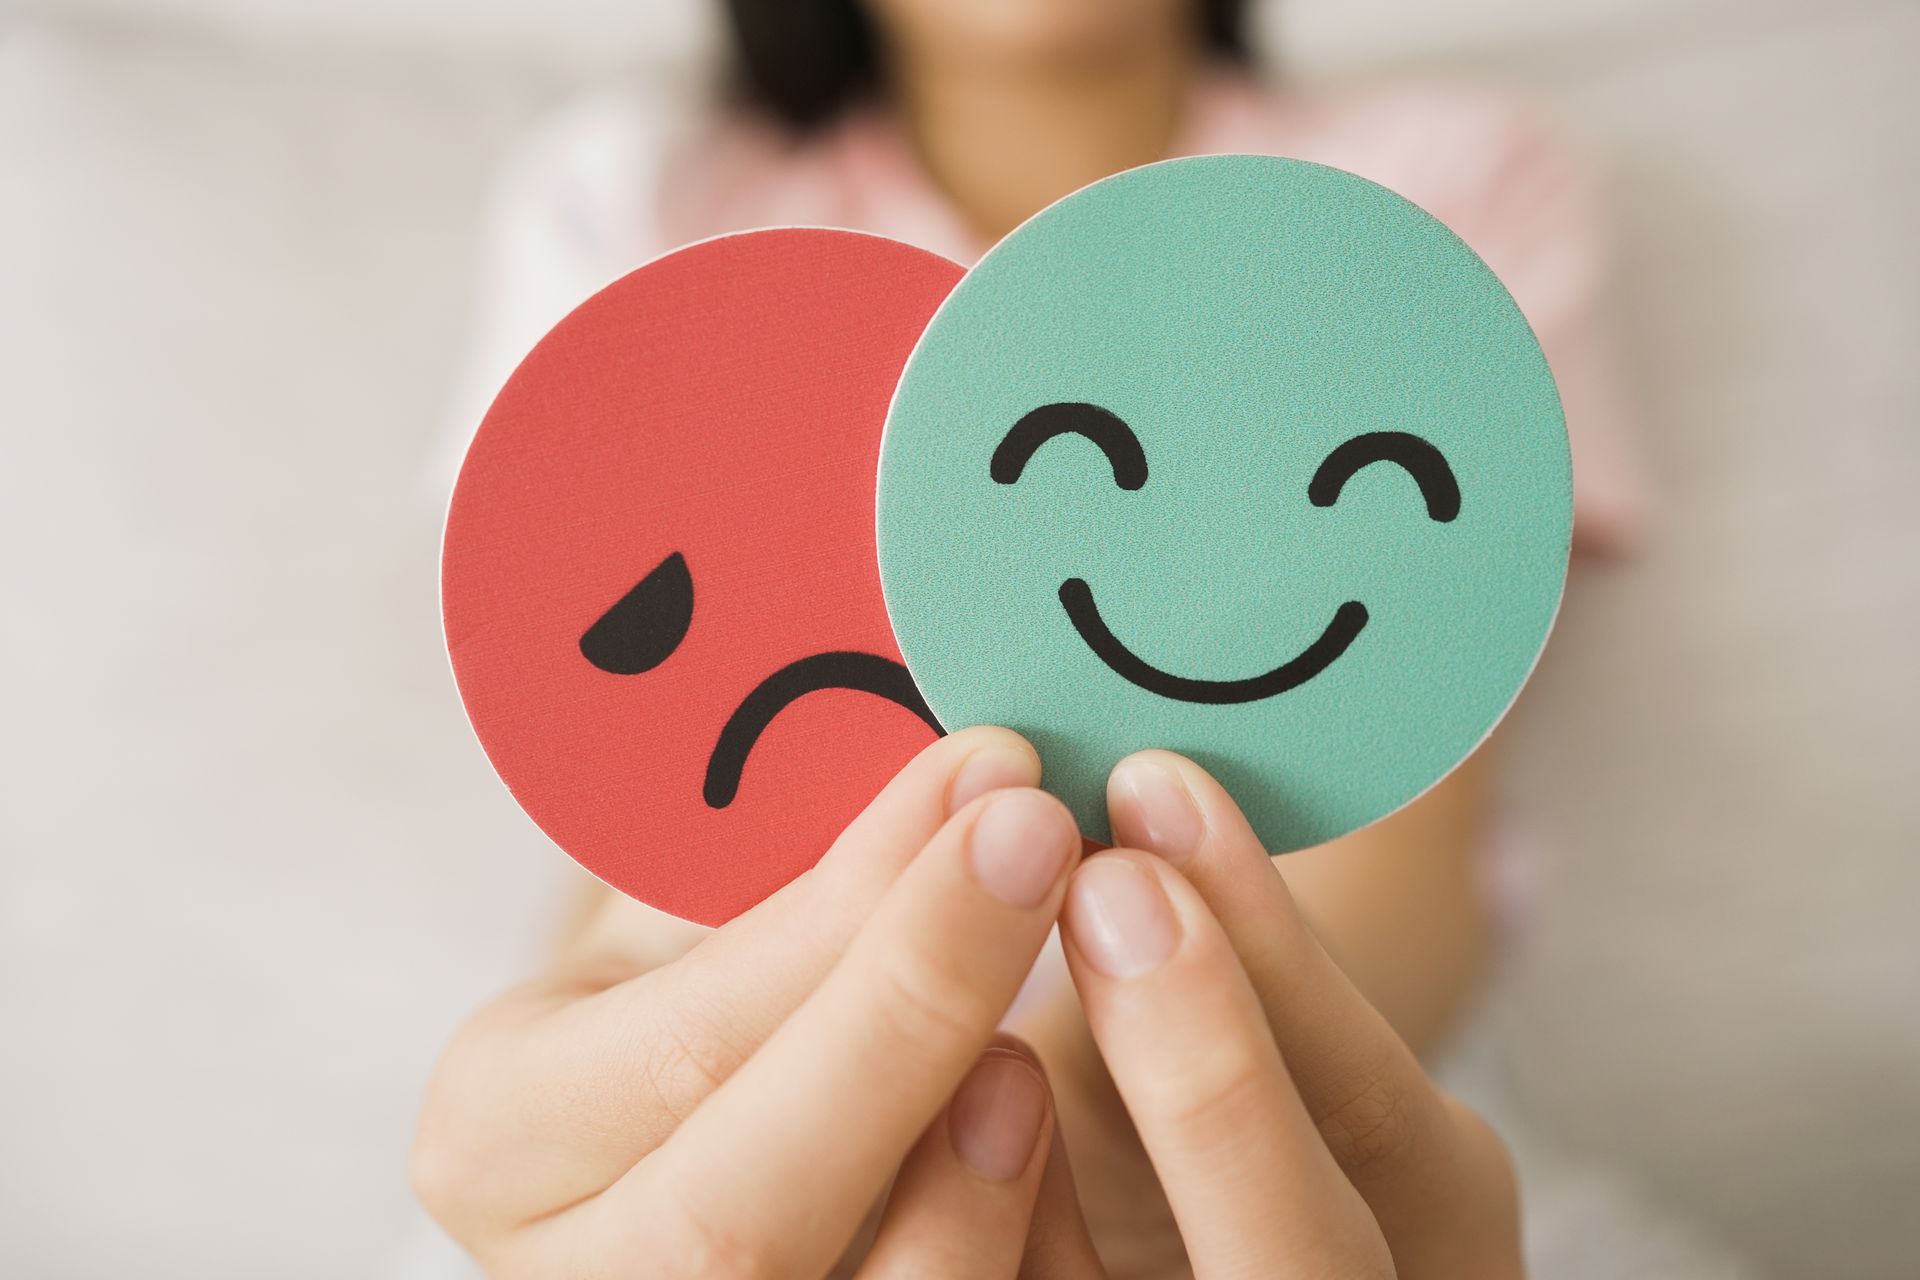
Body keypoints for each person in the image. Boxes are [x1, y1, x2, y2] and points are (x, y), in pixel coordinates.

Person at [415, 2, 1703, 1275]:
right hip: (772, 1108)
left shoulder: (1441, 182)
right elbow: (630, 817)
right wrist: (698, 1122)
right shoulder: (642, 188)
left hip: (1324, 1081)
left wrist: (1125, 1117)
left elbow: (1412, 806)